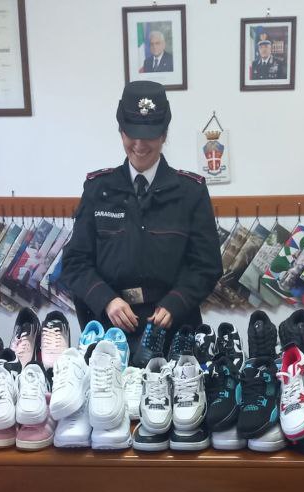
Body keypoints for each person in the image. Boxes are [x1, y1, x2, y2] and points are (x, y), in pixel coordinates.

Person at [62, 80, 221, 348]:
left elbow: (207, 265)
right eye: (131, 134)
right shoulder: (98, 189)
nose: (139, 144)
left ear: (164, 134)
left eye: (148, 135)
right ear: (120, 131)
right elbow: (75, 262)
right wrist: (107, 300)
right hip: (110, 330)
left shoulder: (190, 192)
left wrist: (176, 302)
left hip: (173, 329)